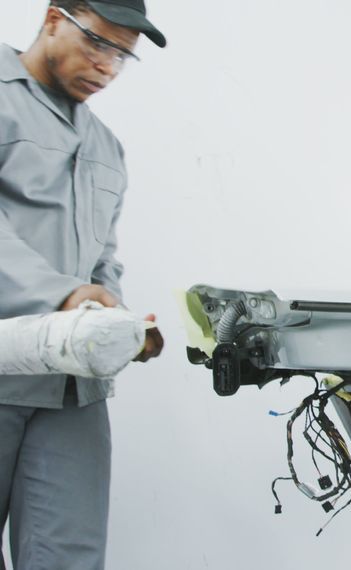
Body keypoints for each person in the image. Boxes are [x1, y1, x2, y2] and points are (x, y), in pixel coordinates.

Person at [0, 1, 166, 567]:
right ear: (52, 19)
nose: (107, 67)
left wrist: (118, 318)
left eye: (123, 56)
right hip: (5, 363)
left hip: (72, 387)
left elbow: (103, 259)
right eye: (99, 43)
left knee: (68, 556)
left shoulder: (105, 148)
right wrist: (62, 297)